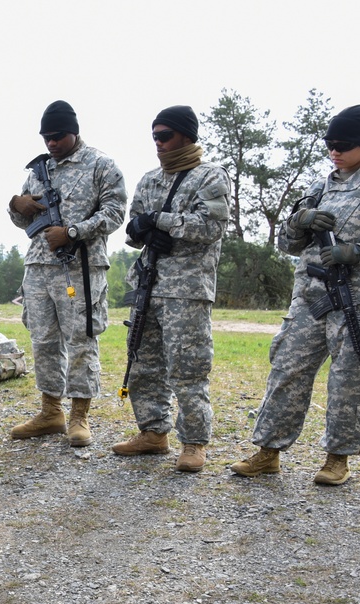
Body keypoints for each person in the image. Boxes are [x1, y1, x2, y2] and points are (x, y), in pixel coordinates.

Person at [234, 105, 360, 485]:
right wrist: (299, 222)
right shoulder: (319, 186)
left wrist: (359, 252)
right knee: (287, 368)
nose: (335, 151)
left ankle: (338, 459)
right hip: (311, 296)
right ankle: (268, 452)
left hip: (359, 300)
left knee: (349, 379)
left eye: (343, 145)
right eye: (330, 144)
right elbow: (287, 244)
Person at [112, 105, 231, 473]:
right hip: (148, 284)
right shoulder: (149, 179)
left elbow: (210, 227)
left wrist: (159, 221)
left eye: (165, 136)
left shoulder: (211, 177)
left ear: (186, 136)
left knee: (188, 368)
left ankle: (194, 443)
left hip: (187, 291)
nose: (158, 143)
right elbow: (133, 228)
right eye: (155, 137)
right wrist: (146, 229)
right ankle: (153, 432)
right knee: (143, 363)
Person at [7, 100, 126, 446]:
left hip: (80, 267)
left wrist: (72, 232)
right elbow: (23, 221)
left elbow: (115, 213)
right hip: (38, 266)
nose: (52, 143)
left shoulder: (101, 165)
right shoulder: (39, 170)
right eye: (46, 137)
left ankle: (79, 416)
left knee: (81, 340)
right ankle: (50, 412)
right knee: (42, 340)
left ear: (74, 132)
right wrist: (16, 205)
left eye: (58, 136)